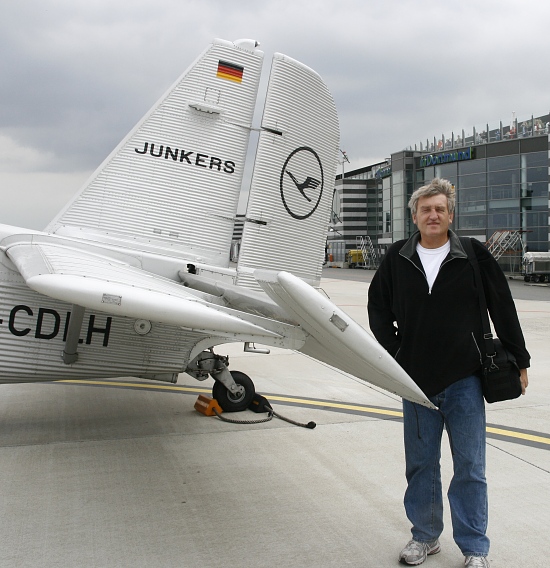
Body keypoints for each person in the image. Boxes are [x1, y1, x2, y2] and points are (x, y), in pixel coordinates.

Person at [367, 178, 530, 567]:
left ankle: (475, 547)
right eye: (426, 209)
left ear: (450, 215)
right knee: (421, 465)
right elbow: (377, 309)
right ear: (415, 216)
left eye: (440, 209)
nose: (433, 215)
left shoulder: (473, 254)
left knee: (470, 467)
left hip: (466, 379)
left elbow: (502, 307)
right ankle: (424, 537)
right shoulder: (397, 257)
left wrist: (520, 359)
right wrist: (397, 353)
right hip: (416, 382)